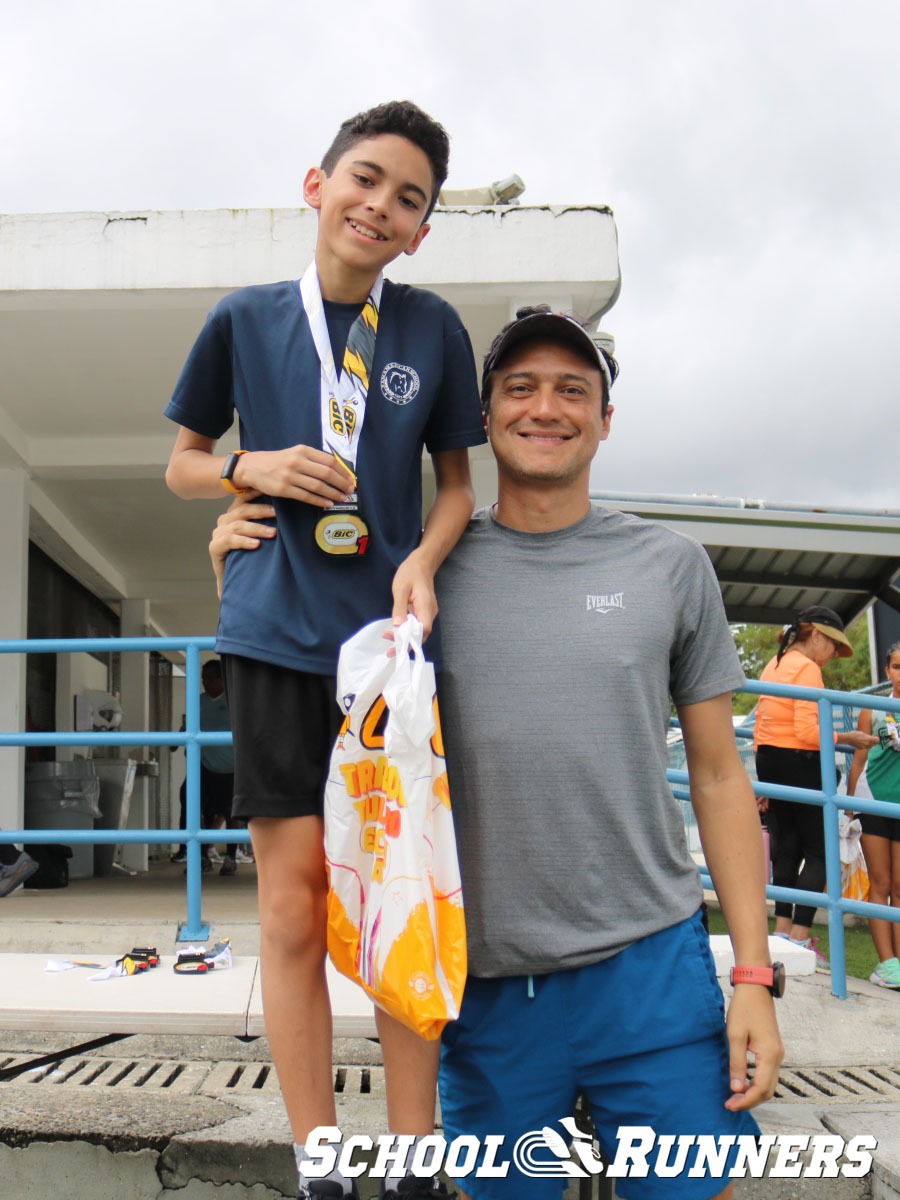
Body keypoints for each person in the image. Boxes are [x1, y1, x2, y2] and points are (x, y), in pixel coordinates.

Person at [211, 305, 785, 1200]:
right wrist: (235, 560)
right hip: (484, 987)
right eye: (519, 388)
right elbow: (310, 650)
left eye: (571, 390)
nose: (544, 408)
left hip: (651, 971)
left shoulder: (669, 566)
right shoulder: (415, 571)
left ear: (604, 417)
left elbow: (717, 773)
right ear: (484, 417)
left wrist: (751, 973)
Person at [165, 100, 485, 1200]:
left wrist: (425, 564)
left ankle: (410, 1157)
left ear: (421, 231)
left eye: (409, 198)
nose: (380, 205)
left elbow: (457, 486)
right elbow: (184, 465)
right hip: (270, 638)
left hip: (385, 651)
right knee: (295, 899)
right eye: (366, 178)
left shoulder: (432, 329)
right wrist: (249, 471)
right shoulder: (245, 318)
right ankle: (321, 1159)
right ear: (316, 184)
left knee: (395, 888)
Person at [753, 606, 877, 970]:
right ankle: (801, 941)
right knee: (822, 851)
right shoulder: (808, 669)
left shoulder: (774, 664)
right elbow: (809, 733)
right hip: (799, 761)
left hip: (770, 760)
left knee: (787, 847)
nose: (835, 655)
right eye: (834, 646)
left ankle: (783, 934)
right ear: (818, 636)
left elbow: (764, 725)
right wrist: (847, 737)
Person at [847, 641, 900, 988]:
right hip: (875, 804)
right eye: (897, 667)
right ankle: (887, 965)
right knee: (880, 883)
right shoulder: (874, 708)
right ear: (887, 671)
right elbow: (859, 761)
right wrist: (848, 806)